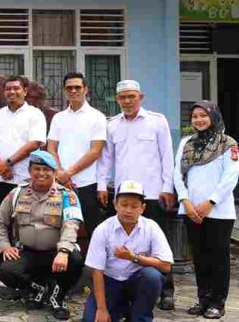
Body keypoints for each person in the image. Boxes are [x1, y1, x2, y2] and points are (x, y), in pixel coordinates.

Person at [97, 79, 176, 310]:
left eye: (132, 96)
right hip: (125, 196)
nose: (127, 101)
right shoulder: (112, 125)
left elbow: (167, 157)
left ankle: (166, 291)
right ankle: (131, 289)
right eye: (123, 97)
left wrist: (167, 188)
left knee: (158, 242)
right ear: (117, 99)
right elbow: (106, 159)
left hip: (151, 192)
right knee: (126, 239)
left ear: (140, 97)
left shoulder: (157, 122)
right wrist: (102, 185)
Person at [0, 150, 83, 320]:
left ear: (54, 173)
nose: (41, 173)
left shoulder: (67, 196)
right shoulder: (17, 194)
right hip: (28, 252)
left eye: (46, 169)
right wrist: (4, 246)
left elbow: (71, 226)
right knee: (6, 271)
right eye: (37, 169)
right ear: (29, 171)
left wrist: (63, 251)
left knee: (76, 260)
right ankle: (38, 288)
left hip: (55, 253)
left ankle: (58, 296)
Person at [173, 101, 239, 319]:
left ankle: (217, 303)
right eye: (194, 116)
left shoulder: (228, 143)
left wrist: (210, 202)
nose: (199, 120)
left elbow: (230, 177)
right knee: (199, 257)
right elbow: (177, 174)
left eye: (203, 115)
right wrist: (186, 201)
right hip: (191, 210)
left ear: (213, 117)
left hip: (218, 212)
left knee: (218, 257)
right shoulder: (186, 143)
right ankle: (203, 299)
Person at [83, 180, 174, 322]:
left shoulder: (151, 227)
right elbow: (97, 271)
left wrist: (133, 257)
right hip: (110, 283)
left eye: (134, 206)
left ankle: (139, 316)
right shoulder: (103, 230)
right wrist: (101, 309)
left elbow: (166, 265)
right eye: (124, 205)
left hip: (136, 283)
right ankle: (116, 310)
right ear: (115, 204)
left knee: (152, 276)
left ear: (143, 208)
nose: (128, 210)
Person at [47, 72, 108, 239]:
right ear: (64, 91)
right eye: (69, 88)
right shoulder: (58, 118)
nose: (73, 91)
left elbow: (95, 151)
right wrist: (60, 172)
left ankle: (92, 264)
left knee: (91, 229)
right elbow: (51, 147)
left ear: (85, 89)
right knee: (60, 227)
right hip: (60, 183)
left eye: (77, 87)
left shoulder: (97, 117)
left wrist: (69, 173)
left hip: (87, 183)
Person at [0, 75, 47, 211]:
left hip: (24, 178)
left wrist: (7, 163)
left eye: (16, 88)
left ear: (24, 91)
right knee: (0, 219)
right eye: (8, 89)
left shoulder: (35, 114)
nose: (12, 92)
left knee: (23, 219)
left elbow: (35, 143)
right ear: (4, 92)